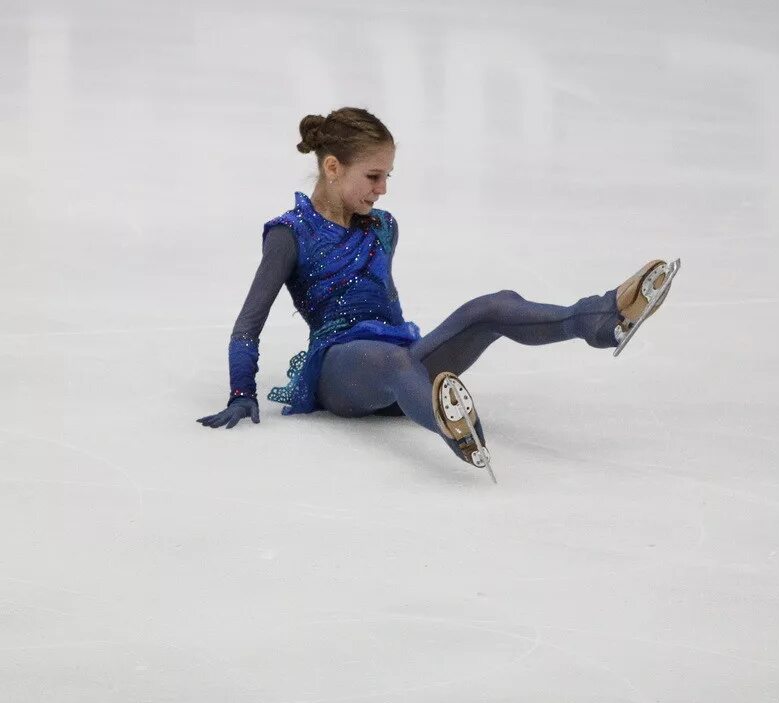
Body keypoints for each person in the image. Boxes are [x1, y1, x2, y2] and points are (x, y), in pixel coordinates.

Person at [196, 107, 678, 476]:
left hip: (403, 360)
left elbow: (387, 307)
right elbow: (247, 324)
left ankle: (599, 320)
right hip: (341, 370)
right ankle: (455, 430)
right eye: (373, 175)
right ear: (332, 168)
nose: (382, 188)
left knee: (493, 306)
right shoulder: (289, 234)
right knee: (392, 362)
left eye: (387, 176)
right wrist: (242, 392)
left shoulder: (383, 227)